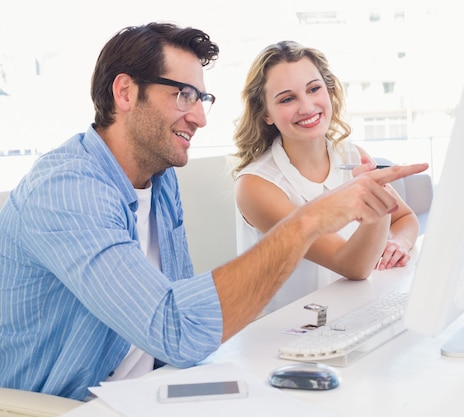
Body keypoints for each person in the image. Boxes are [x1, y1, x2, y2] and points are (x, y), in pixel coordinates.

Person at [0, 23, 426, 401]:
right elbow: (175, 329)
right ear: (125, 92)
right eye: (184, 95)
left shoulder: (159, 178)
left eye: (202, 97)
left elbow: (177, 312)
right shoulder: (68, 191)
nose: (201, 117)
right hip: (76, 404)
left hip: (155, 386)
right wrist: (309, 220)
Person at [232, 41, 425, 313]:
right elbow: (352, 266)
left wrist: (398, 243)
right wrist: (377, 209)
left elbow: (405, 218)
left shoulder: (350, 155)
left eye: (313, 89)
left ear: (329, 90)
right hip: (288, 336)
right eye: (287, 99)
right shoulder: (256, 186)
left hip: (351, 314)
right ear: (265, 114)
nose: (307, 106)